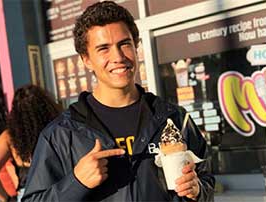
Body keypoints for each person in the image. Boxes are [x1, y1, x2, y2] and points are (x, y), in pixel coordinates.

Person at [22, 1, 214, 201]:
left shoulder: (174, 119)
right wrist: (76, 183)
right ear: (86, 59)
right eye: (103, 48)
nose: (118, 57)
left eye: (124, 44)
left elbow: (206, 182)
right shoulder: (62, 134)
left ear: (136, 46)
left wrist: (197, 191)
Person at [0, 85, 62, 202]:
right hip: (60, 187)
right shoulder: (58, 127)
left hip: (28, 195)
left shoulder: (9, 137)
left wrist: (7, 199)